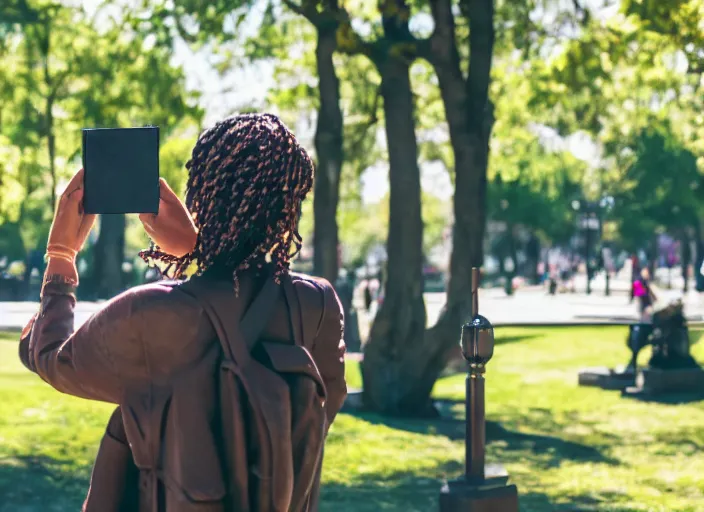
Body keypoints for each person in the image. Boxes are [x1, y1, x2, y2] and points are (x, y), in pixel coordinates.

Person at [18, 113, 347, 511]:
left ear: (201, 193)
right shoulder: (316, 304)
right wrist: (203, 252)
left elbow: (52, 359)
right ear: (291, 202)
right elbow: (327, 399)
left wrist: (61, 256)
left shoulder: (150, 312)